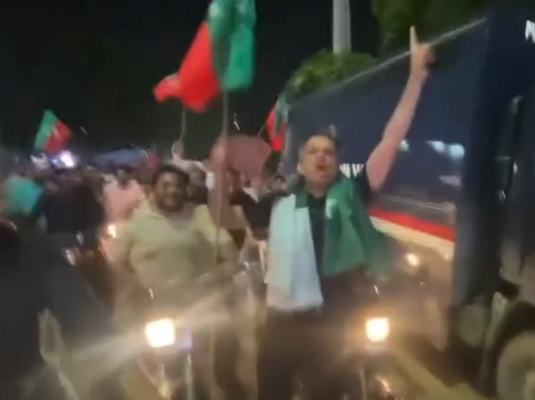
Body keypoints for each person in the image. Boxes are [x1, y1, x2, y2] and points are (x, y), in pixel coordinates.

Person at [214, 26, 432, 400]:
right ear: (300, 161)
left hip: (335, 328)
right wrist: (220, 171)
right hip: (282, 328)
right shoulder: (276, 200)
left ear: (337, 163)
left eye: (328, 152)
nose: (321, 156)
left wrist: (415, 77)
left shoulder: (353, 194)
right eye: (313, 150)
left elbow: (392, 138)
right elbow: (229, 219)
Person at [107, 163, 243, 398]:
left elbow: (224, 246)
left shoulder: (199, 215)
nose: (172, 191)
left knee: (209, 360)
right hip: (155, 308)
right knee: (166, 367)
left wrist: (224, 270)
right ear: (153, 189)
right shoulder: (138, 221)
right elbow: (116, 261)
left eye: (178, 186)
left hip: (197, 304)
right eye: (166, 185)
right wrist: (133, 284)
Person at [0, 218, 124, 399]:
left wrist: (103, 358)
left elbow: (77, 311)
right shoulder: (34, 252)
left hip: (35, 381)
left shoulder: (32, 253)